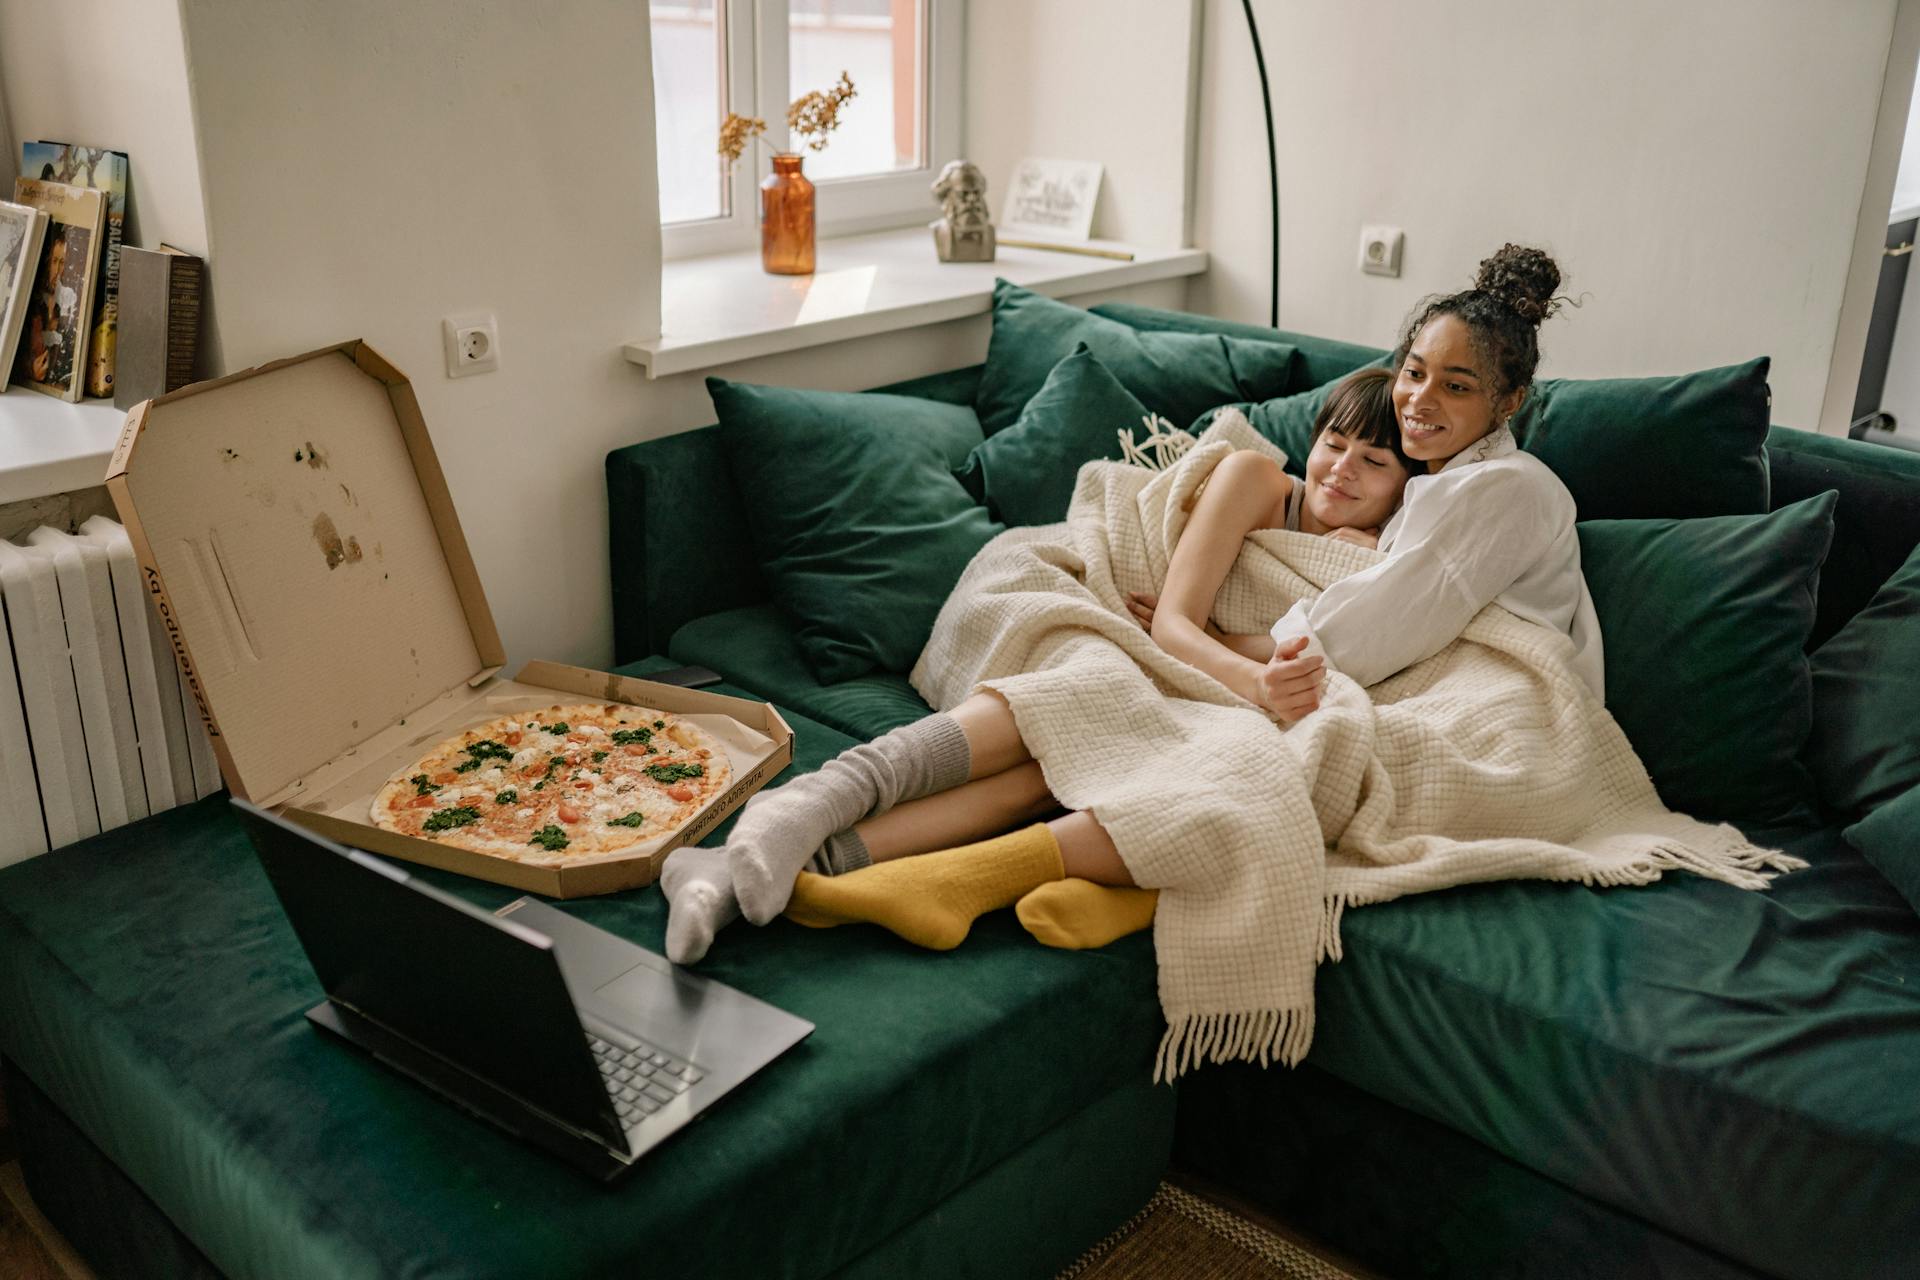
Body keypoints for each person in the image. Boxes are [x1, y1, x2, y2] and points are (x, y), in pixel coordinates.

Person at [662, 242, 1600, 962]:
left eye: (1458, 384)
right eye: (1413, 372)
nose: (1418, 401)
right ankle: (806, 816)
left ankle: (842, 868)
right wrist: (1233, 644)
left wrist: (1245, 633)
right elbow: (1310, 623)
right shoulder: (1373, 481)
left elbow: (1371, 628)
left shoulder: (1491, 492)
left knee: (1106, 737)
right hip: (1223, 650)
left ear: (1511, 397)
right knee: (1088, 705)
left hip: (1474, 703)